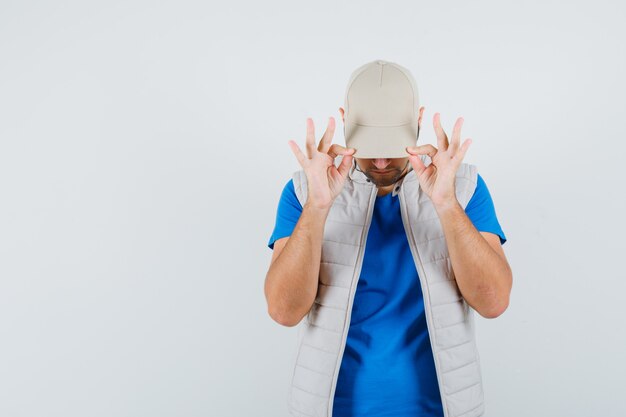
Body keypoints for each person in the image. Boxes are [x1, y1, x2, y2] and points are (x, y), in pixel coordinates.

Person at [264, 60, 512, 417]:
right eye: (369, 143)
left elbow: (494, 302)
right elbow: (283, 311)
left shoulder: (465, 188)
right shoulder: (304, 192)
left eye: (392, 142)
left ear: (419, 120)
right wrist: (318, 207)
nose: (380, 160)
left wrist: (445, 203)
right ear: (344, 119)